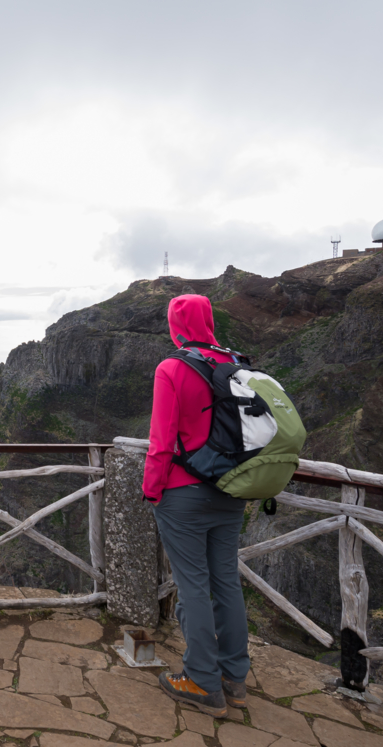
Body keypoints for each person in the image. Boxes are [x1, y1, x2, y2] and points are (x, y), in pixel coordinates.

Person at [143, 294, 250, 718]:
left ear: (176, 326)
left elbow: (161, 439)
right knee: (226, 582)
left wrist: (152, 490)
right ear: (209, 321)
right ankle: (234, 680)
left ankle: (202, 682)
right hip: (230, 490)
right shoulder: (235, 365)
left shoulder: (172, 368)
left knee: (192, 587)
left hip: (184, 494)